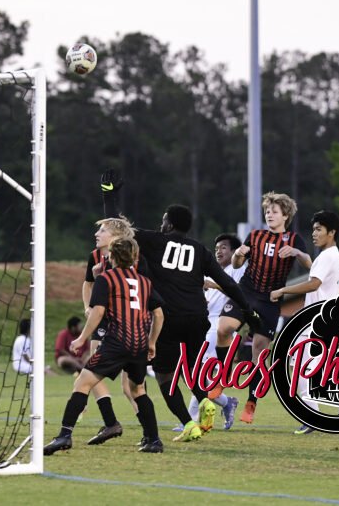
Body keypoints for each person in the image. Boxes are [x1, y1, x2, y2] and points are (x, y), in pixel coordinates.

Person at [101, 170, 260, 442]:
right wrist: (248, 310)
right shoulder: (200, 250)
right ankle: (206, 400)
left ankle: (189, 423)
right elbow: (228, 283)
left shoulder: (155, 241)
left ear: (168, 223)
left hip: (169, 317)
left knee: (164, 376)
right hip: (198, 318)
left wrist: (109, 194)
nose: (161, 224)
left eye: (164, 220)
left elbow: (118, 229)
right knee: (189, 369)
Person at [43, 237, 166, 455]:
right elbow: (158, 314)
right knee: (138, 389)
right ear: (135, 257)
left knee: (82, 383)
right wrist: (152, 342)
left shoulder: (106, 279)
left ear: (111, 256)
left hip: (116, 342)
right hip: (139, 344)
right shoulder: (144, 282)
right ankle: (154, 440)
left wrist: (81, 338)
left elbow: (98, 311)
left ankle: (64, 435)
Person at [215, 192, 311, 425]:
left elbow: (309, 263)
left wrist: (297, 253)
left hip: (270, 299)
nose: (269, 215)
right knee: (223, 329)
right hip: (246, 291)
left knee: (260, 352)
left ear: (285, 215)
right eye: (267, 211)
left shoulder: (293, 239)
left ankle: (251, 403)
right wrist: (238, 254)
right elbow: (238, 263)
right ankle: (224, 375)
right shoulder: (255, 235)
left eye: (274, 211)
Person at [270, 210, 339, 434]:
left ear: (332, 232)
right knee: (306, 366)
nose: (314, 233)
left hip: (316, 321)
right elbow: (314, 275)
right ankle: (338, 407)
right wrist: (297, 252)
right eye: (313, 229)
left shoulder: (328, 256)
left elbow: (313, 284)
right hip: (320, 319)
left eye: (319, 229)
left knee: (302, 367)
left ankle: (313, 416)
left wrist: (283, 289)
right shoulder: (332, 256)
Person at [80, 216, 146, 445]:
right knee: (91, 370)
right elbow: (87, 284)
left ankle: (148, 430)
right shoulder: (95, 257)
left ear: (115, 236)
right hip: (104, 322)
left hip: (128, 325)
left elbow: (142, 291)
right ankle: (111, 422)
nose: (97, 234)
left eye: (102, 230)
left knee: (131, 387)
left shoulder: (135, 259)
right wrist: (89, 307)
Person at [185, 233, 245, 431]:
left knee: (200, 373)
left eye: (224, 247)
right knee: (199, 374)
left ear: (235, 251)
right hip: (206, 325)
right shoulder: (212, 272)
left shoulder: (238, 270)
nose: (218, 251)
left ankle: (192, 419)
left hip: (221, 326)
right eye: (217, 247)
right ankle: (227, 402)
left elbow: (237, 291)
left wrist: (213, 285)